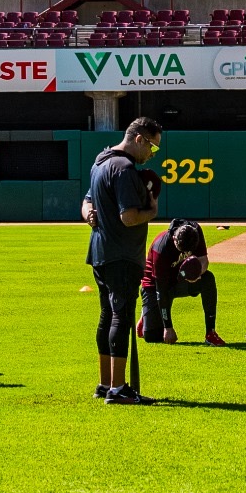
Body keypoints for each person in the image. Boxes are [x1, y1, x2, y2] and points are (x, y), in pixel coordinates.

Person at [82, 117, 163, 405]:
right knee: (121, 317)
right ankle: (117, 389)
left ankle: (105, 384)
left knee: (107, 315)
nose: (152, 155)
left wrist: (89, 214)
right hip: (122, 254)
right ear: (139, 139)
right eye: (152, 147)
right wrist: (152, 210)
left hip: (100, 253)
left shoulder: (101, 161)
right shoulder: (125, 168)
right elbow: (129, 217)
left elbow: (87, 200)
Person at [139, 219, 224, 346]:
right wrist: (168, 327)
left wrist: (197, 273)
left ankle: (210, 332)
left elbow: (204, 261)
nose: (185, 254)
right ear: (174, 238)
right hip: (155, 287)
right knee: (152, 337)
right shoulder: (161, 248)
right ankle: (146, 316)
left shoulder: (195, 232)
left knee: (208, 279)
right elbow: (160, 291)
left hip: (180, 280)